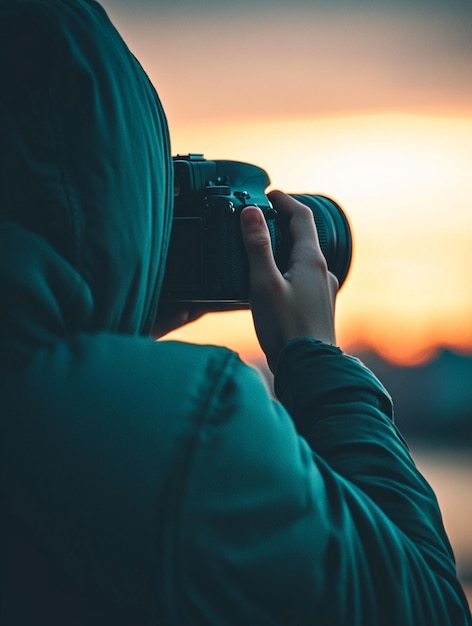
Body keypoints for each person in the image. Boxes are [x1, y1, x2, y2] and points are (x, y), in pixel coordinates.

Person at [0, 1, 470, 624]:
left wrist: (121, 304)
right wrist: (314, 357)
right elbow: (430, 602)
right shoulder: (187, 429)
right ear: (124, 188)